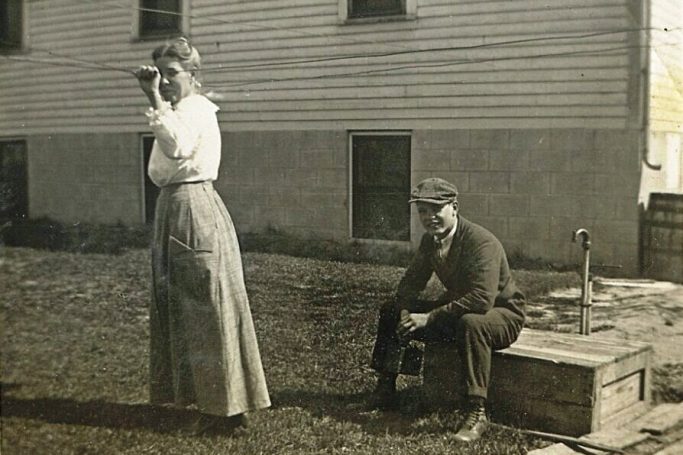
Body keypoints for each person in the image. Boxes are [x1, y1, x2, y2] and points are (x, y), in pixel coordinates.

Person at [134, 37, 270, 435]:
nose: (165, 82)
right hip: (174, 206)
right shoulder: (179, 110)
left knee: (205, 308)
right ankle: (211, 402)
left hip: (191, 206)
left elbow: (177, 147)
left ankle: (224, 412)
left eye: (172, 74)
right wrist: (160, 101)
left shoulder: (195, 109)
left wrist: (153, 98)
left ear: (193, 74)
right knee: (184, 307)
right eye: (160, 75)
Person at [369, 177, 526, 443]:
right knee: (391, 309)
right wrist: (405, 309)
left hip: (502, 315)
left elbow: (481, 299)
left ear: (454, 207)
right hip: (460, 310)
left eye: (436, 209)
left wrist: (429, 317)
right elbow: (411, 282)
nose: (429, 217)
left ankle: (477, 412)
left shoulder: (481, 242)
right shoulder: (431, 241)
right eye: (422, 211)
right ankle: (385, 388)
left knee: (472, 323)